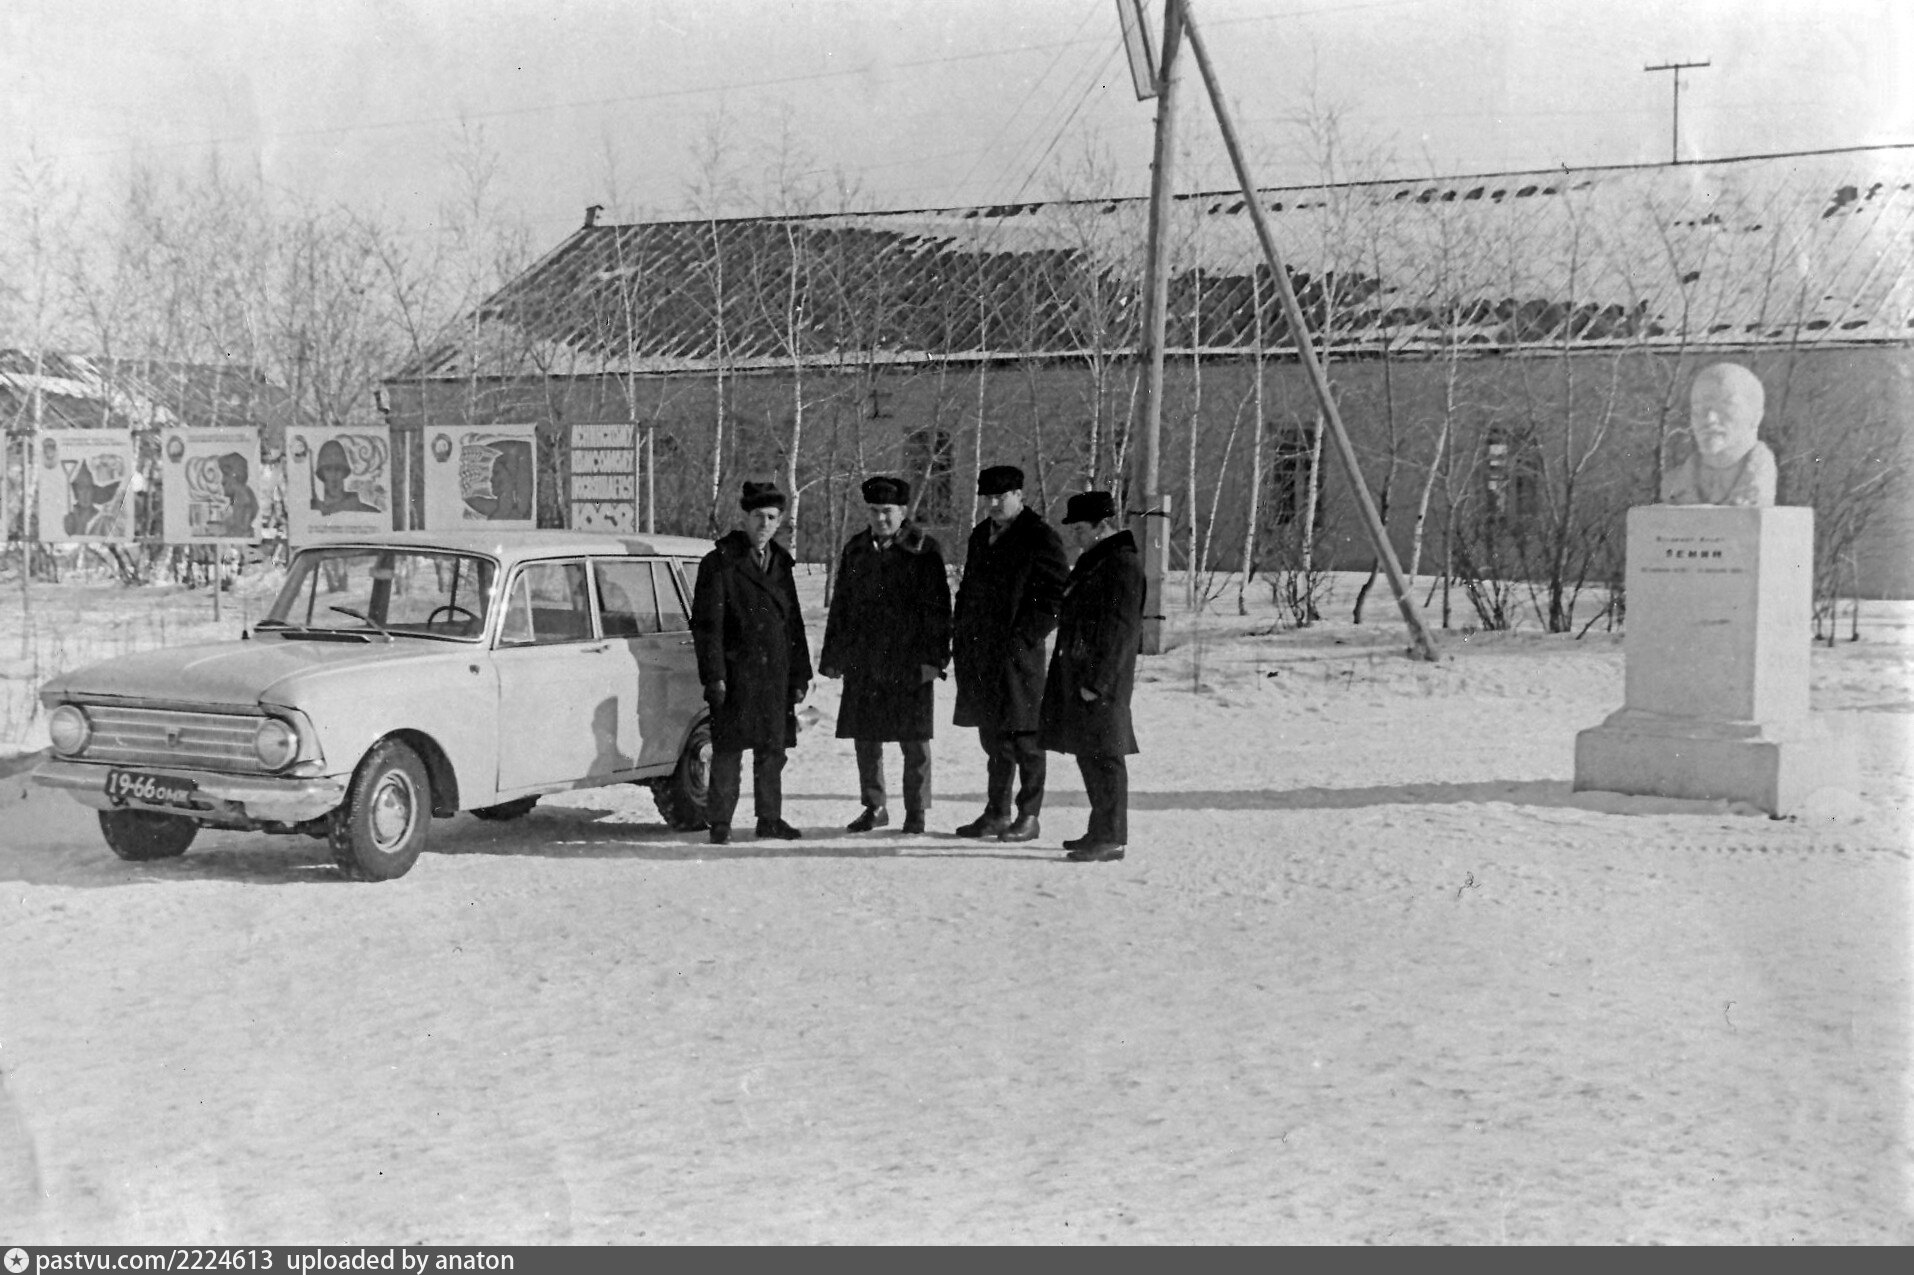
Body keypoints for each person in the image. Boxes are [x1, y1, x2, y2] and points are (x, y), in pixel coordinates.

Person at [818, 475, 951, 834]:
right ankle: (874, 806)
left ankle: (916, 811)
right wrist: (833, 655)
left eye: (888, 511)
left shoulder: (924, 549)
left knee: (915, 741)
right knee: (866, 738)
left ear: (903, 511)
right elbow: (841, 606)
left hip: (910, 661)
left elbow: (940, 611)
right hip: (865, 659)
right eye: (874, 511)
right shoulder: (856, 549)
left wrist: (935, 659)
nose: (880, 518)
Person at [691, 480, 813, 845]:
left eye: (772, 517)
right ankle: (720, 823)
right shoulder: (720, 562)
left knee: (772, 751)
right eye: (758, 516)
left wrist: (800, 674)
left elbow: (793, 623)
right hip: (736, 675)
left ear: (780, 521)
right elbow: (707, 627)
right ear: (744, 517)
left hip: (775, 674)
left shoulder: (782, 563)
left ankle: (769, 819)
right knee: (728, 751)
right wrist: (714, 676)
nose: (764, 524)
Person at [950, 463, 1068, 842]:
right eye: (987, 498)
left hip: (1019, 658)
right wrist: (961, 631)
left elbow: (1055, 596)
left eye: (1001, 497)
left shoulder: (1039, 537)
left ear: (1019, 495)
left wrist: (1024, 636)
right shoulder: (980, 535)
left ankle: (1029, 816)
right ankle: (996, 813)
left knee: (1026, 738)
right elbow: (969, 589)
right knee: (994, 739)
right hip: (981, 654)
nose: (993, 504)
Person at [1039, 491, 1144, 863]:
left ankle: (1111, 836)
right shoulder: (1097, 560)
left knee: (1105, 757)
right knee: (1089, 754)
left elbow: (1121, 632)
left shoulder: (1121, 565)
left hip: (1102, 683)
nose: (1075, 535)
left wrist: (1098, 683)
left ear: (1103, 526)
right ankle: (1099, 830)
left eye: (1081, 528)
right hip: (1083, 675)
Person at [1660, 362, 1777, 507]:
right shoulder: (1673, 485)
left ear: (1756, 416)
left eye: (1725, 406)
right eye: (1699, 408)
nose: (1709, 419)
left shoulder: (1761, 480)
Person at [310, 438, 379, 515]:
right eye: (328, 469)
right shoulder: (313, 512)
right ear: (321, 473)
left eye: (338, 469)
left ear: (344, 472)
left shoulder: (367, 512)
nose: (333, 475)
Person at [216, 452, 259, 539]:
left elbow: (240, 530)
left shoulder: (242, 497)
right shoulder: (237, 497)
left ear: (234, 475)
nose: (222, 481)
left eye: (225, 474)